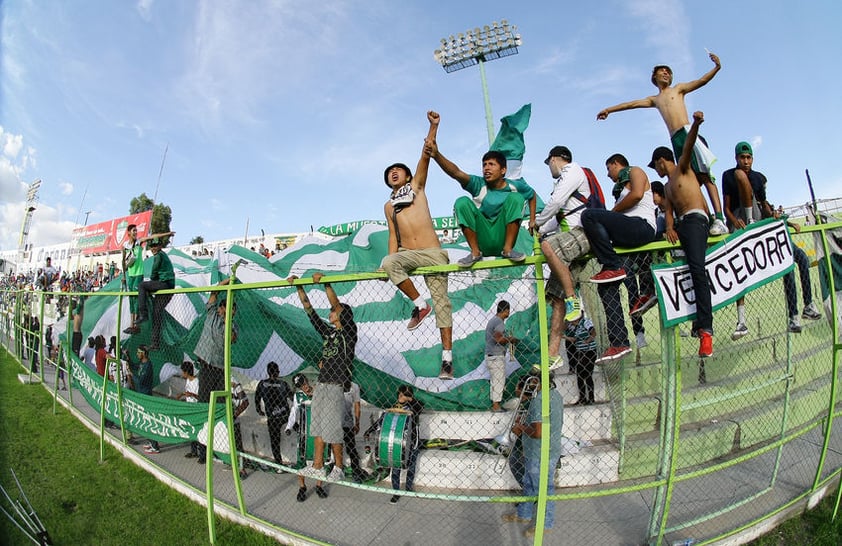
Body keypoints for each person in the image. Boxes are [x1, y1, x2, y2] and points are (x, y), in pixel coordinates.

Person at [597, 52, 728, 237]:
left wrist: (716, 68)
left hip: (687, 131)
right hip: (675, 140)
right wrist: (609, 110)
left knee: (705, 175)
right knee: (688, 180)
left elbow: (701, 81)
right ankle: (705, 217)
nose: (666, 73)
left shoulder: (679, 89)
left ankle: (720, 218)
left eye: (668, 71)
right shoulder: (655, 99)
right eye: (662, 72)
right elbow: (631, 104)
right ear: (654, 78)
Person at [381, 111, 454, 380]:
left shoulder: (417, 187)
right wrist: (390, 265)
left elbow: (426, 154)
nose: (393, 173)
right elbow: (393, 237)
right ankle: (419, 305)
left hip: (433, 253)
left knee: (443, 303)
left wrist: (433, 126)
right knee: (389, 262)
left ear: (408, 175)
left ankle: (447, 359)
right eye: (389, 173)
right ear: (388, 182)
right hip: (409, 254)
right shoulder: (389, 206)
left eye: (397, 170)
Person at [649, 111, 714, 357]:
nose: (655, 169)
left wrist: (695, 124)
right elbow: (668, 209)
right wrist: (668, 226)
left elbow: (687, 146)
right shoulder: (666, 186)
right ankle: (695, 321)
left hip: (696, 219)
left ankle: (706, 330)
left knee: (698, 269)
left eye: (655, 165)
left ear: (661, 160)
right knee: (683, 269)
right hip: (681, 225)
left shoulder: (682, 169)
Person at [429, 119, 537, 265]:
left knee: (516, 198)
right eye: (484, 165)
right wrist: (436, 155)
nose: (486, 168)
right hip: (482, 238)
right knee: (462, 202)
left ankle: (508, 249)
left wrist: (532, 220)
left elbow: (532, 195)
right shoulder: (478, 184)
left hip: (502, 236)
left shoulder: (514, 186)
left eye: (491, 164)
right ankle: (474, 253)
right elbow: (455, 172)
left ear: (503, 170)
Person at [584, 154, 657, 362]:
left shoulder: (636, 171)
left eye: (609, 169)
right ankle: (619, 342)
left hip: (641, 226)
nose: (608, 175)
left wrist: (612, 214)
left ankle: (611, 263)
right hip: (625, 239)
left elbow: (636, 195)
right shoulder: (617, 191)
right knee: (607, 285)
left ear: (617, 164)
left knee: (590, 215)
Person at [288, 271, 357, 484]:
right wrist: (299, 287)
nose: (331, 312)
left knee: (333, 430)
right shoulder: (329, 333)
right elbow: (310, 311)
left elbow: (336, 304)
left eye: (334, 311)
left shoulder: (349, 333)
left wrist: (325, 283)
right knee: (317, 427)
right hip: (322, 384)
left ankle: (338, 466)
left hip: (336, 385)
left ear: (343, 316)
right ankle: (317, 465)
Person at [534, 146, 592, 368]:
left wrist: (536, 222)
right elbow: (557, 217)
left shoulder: (572, 171)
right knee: (556, 301)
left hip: (582, 233)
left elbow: (556, 203)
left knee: (548, 246)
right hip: (569, 242)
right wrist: (540, 228)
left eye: (549, 163)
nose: (549, 167)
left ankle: (573, 301)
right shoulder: (562, 184)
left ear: (555, 159)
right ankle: (552, 355)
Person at [501, 371, 564, 539]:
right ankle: (524, 514)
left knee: (543, 489)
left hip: (539, 452)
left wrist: (521, 428)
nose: (530, 384)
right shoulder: (555, 395)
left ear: (537, 381)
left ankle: (545, 523)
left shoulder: (539, 401)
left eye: (532, 381)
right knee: (528, 483)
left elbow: (538, 432)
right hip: (546, 450)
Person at [365, 385, 424, 504]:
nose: (401, 397)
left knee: (411, 467)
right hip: (397, 444)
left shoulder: (414, 406)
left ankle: (408, 488)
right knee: (396, 468)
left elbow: (420, 407)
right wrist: (369, 431)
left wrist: (409, 399)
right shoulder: (394, 408)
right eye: (400, 394)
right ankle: (396, 492)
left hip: (413, 442)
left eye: (405, 395)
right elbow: (381, 421)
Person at [285, 373, 324, 501]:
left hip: (319, 431)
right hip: (303, 431)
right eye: (300, 386)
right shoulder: (298, 396)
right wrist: (289, 427)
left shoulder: (318, 392)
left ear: (307, 380)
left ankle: (319, 485)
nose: (304, 387)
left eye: (305, 383)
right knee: (301, 459)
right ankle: (302, 487)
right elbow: (294, 412)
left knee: (320, 458)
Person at [134, 234, 176, 350]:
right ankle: (155, 343)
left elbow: (154, 272)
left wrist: (151, 282)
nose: (153, 248)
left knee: (141, 286)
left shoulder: (158, 256)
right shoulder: (162, 255)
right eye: (151, 246)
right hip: (168, 286)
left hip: (165, 285)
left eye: (155, 246)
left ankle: (143, 314)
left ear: (160, 246)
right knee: (156, 313)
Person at [254, 361, 292, 469]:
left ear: (267, 372)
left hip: (272, 417)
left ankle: (278, 462)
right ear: (278, 372)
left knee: (274, 440)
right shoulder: (283, 384)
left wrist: (259, 410)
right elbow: (292, 397)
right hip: (285, 415)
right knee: (296, 428)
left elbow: (257, 398)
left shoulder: (262, 384)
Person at [485, 300, 518, 412]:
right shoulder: (499, 322)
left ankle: (495, 404)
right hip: (496, 355)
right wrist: (511, 339)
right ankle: (496, 406)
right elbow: (498, 338)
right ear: (505, 310)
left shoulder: (492, 320)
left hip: (490, 355)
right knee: (499, 380)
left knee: (495, 381)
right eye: (509, 310)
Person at [563, 315, 597, 405]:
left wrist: (588, 340)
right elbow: (574, 339)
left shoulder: (585, 322)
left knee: (587, 374)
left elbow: (593, 332)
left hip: (589, 351)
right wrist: (564, 337)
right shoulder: (576, 327)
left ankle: (590, 398)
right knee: (580, 375)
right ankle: (583, 398)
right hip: (581, 353)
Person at [342, 380, 364, 482]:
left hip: (347, 422)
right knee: (333, 446)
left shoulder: (354, 386)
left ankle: (356, 471)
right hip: (334, 422)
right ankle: (336, 468)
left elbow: (357, 405)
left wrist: (357, 422)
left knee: (351, 448)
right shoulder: (333, 382)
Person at [178, 361, 199, 458]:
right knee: (191, 430)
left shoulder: (196, 381)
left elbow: (200, 396)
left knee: (197, 430)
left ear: (186, 372)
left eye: (183, 372)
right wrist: (182, 395)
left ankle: (201, 453)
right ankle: (193, 450)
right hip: (189, 408)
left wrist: (191, 395)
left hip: (196, 408)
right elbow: (187, 392)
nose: (182, 374)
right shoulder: (187, 381)